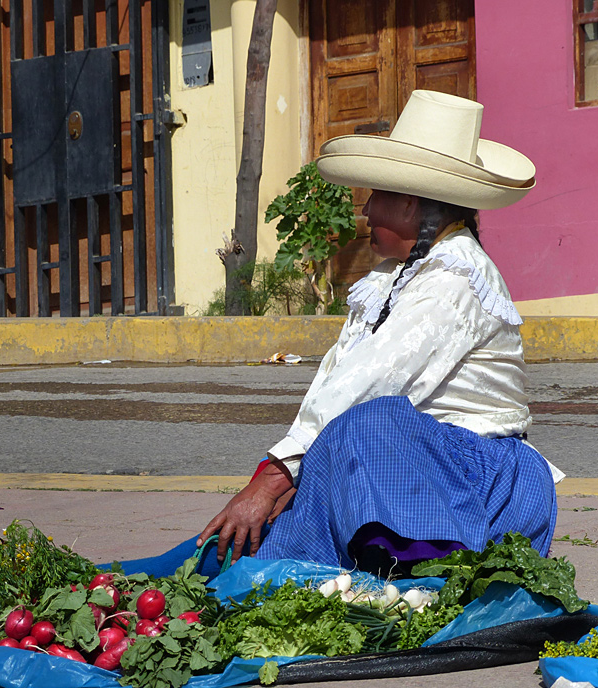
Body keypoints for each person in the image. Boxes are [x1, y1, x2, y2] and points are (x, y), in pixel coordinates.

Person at [198, 90, 561, 575]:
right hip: (415, 468)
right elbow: (334, 382)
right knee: (229, 560)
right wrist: (285, 475)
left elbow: (367, 386)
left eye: (377, 198)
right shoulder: (394, 276)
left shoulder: (455, 278)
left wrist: (270, 479)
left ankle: (423, 571)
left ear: (410, 203)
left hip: (476, 482)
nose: (366, 212)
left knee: (366, 424)